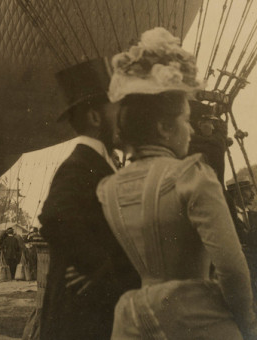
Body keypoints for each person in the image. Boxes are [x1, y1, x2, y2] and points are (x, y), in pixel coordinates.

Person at [97, 27, 257, 339]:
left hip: (133, 320)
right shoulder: (192, 176)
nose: (191, 130)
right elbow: (233, 270)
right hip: (194, 318)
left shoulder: (108, 189)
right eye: (184, 121)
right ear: (164, 127)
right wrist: (247, 324)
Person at [38, 57, 140, 340]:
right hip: (78, 314)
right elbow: (54, 216)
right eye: (117, 111)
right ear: (96, 118)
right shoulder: (80, 164)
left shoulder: (97, 161)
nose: (123, 119)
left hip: (88, 308)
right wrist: (98, 265)